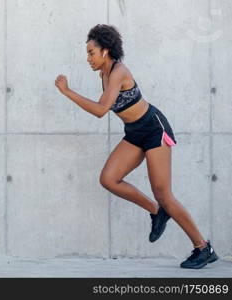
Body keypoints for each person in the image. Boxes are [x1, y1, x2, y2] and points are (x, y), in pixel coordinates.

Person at [54, 24, 218, 269]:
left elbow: (101, 111)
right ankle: (156, 211)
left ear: (106, 52)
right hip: (134, 132)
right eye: (87, 53)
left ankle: (203, 248)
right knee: (109, 178)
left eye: (91, 52)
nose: (87, 58)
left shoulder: (119, 71)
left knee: (164, 193)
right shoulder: (104, 73)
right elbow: (105, 106)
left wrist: (67, 92)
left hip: (154, 130)